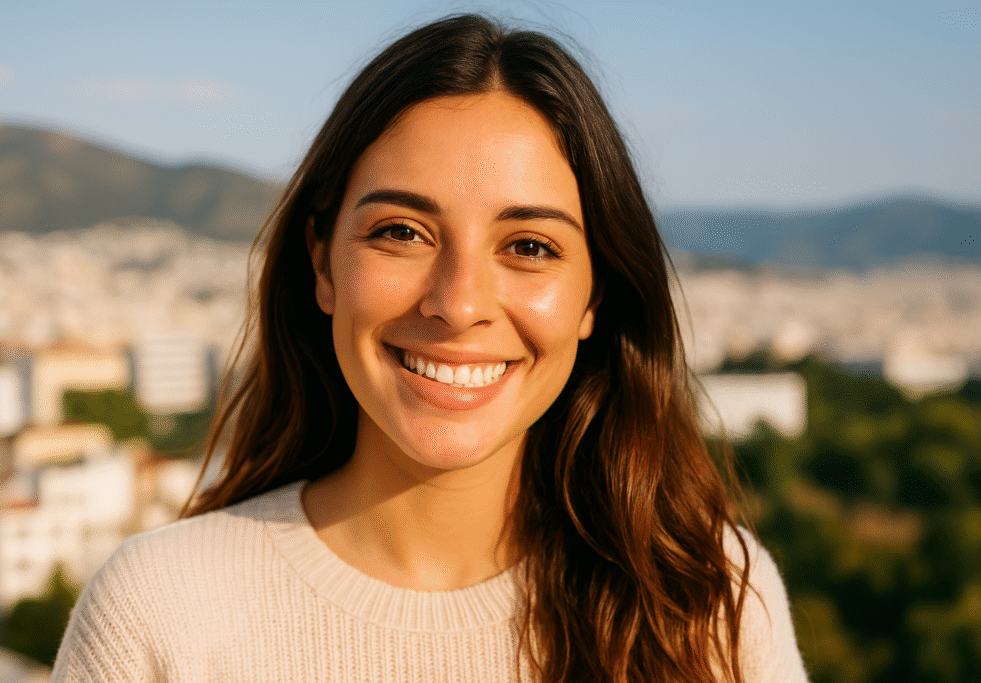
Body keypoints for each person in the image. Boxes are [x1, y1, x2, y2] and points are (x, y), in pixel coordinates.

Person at [52, 14, 808, 683]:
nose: (459, 302)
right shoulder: (158, 614)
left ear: (594, 297)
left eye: (530, 245)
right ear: (322, 263)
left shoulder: (707, 603)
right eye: (401, 232)